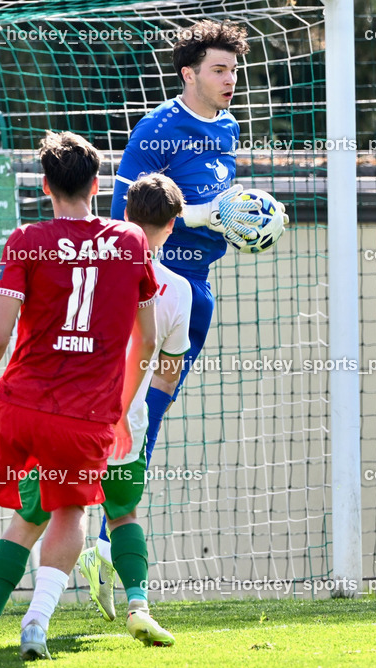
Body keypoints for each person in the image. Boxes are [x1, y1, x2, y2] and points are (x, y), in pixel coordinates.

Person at [0, 130, 158, 664]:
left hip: (16, 405)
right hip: (87, 418)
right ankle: (36, 622)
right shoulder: (132, 241)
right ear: (96, 184)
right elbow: (148, 340)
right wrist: (121, 408)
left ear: (45, 186)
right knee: (68, 512)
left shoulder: (26, 239)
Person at [83, 19, 288, 615]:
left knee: (151, 416)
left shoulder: (228, 127)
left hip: (197, 295)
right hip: (149, 288)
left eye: (234, 70)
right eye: (219, 70)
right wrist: (202, 217)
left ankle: (103, 540)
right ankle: (77, 527)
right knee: (117, 413)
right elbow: (125, 216)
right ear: (189, 74)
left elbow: (217, 197)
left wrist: (242, 215)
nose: (230, 81)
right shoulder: (156, 130)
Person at [0, 173, 191, 650]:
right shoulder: (181, 290)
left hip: (63, 414)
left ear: (123, 213)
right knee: (125, 514)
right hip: (123, 424)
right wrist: (133, 416)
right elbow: (166, 371)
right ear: (173, 225)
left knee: (29, 521)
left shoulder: (88, 258)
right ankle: (138, 606)